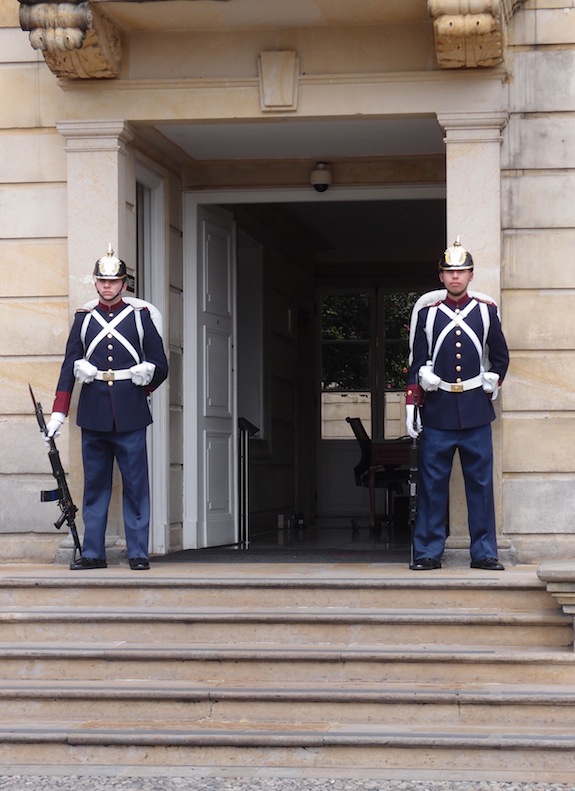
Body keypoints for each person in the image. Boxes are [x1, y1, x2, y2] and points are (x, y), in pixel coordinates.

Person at [45, 245, 169, 571]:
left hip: (130, 412)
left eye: (114, 281)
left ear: (124, 284)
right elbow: (68, 366)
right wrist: (59, 412)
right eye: (102, 281)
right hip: (94, 412)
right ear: (96, 283)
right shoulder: (84, 319)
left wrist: (146, 380)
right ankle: (93, 553)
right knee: (95, 487)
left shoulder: (140, 317)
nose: (108, 286)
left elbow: (161, 364)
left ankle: (138, 552)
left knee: (135, 486)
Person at [405, 238, 509, 571]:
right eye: (449, 271)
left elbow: (501, 357)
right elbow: (416, 362)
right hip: (437, 412)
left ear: (471, 275)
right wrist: (415, 394)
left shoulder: (486, 311)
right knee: (432, 488)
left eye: (461, 271)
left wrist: (493, 380)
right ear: (441, 276)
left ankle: (484, 552)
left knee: (480, 487)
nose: (455, 277)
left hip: (476, 411)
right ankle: (427, 552)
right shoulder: (427, 314)